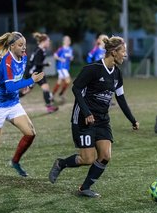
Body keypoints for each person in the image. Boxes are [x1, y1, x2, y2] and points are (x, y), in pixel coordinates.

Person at [49, 35, 140, 198]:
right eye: (123, 52)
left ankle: (84, 187)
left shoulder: (117, 74)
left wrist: (132, 120)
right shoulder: (93, 69)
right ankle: (61, 163)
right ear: (113, 52)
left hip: (102, 119)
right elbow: (76, 89)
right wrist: (87, 113)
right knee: (87, 159)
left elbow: (121, 98)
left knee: (105, 156)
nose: (125, 55)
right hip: (84, 118)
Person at [0, 32, 45, 183]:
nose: (24, 48)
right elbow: (10, 86)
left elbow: (17, 80)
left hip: (13, 104)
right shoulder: (7, 61)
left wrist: (25, 85)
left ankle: (15, 161)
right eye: (20, 45)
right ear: (12, 46)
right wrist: (30, 80)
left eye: (25, 45)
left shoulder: (24, 57)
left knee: (30, 133)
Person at [19, 32, 58, 113]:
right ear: (43, 41)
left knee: (46, 88)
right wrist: (46, 64)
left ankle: (49, 107)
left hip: (38, 73)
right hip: (33, 74)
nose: (49, 42)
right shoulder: (39, 50)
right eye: (48, 41)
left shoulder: (41, 50)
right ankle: (9, 99)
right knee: (26, 91)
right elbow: (36, 63)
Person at [52, 35, 73, 103]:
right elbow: (55, 55)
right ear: (63, 41)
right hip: (61, 67)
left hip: (66, 68)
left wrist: (71, 58)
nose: (67, 41)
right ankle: (61, 94)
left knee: (59, 82)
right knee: (68, 80)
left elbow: (70, 57)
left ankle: (52, 95)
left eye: (68, 40)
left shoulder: (70, 49)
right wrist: (60, 59)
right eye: (66, 40)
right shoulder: (61, 49)